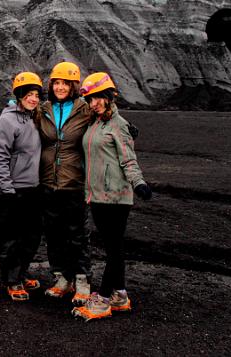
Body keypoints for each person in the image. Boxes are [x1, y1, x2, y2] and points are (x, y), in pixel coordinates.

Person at [71, 71, 153, 321]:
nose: (94, 103)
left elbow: (129, 160)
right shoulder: (95, 123)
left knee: (114, 250)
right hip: (97, 196)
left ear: (109, 96)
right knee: (112, 246)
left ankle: (103, 300)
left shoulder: (119, 125)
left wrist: (139, 184)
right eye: (90, 99)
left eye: (98, 97)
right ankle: (120, 295)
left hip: (116, 197)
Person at [37, 61, 93, 306]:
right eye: (56, 83)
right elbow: (23, 113)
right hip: (48, 183)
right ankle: (62, 278)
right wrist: (12, 106)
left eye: (65, 83)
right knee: (54, 233)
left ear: (74, 86)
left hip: (74, 183)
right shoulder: (43, 110)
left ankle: (82, 280)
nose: (60, 87)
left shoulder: (85, 110)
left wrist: (124, 128)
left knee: (77, 234)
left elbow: (106, 116)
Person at [0, 71, 44, 301]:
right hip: (12, 190)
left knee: (31, 236)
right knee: (11, 238)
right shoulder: (6, 120)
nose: (33, 99)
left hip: (34, 189)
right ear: (19, 94)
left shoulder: (35, 118)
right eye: (29, 94)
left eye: (37, 95)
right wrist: (7, 188)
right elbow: (0, 156)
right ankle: (12, 281)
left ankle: (21, 273)